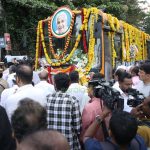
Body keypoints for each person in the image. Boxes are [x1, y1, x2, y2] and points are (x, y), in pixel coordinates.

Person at [47, 73, 81, 150]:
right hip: (68, 143)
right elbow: (78, 127)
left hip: (49, 143)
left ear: (54, 84)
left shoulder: (46, 99)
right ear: (69, 84)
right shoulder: (72, 100)